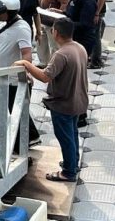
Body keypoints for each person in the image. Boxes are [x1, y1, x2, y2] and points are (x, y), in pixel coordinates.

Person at [15, 19, 89, 182]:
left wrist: (26, 64)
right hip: (78, 101)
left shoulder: (61, 54)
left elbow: (45, 76)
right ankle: (72, 163)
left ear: (56, 33)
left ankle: (69, 172)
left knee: (65, 137)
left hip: (63, 103)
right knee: (72, 133)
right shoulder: (79, 48)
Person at [0, 0, 40, 147]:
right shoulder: (8, 26)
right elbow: (2, 48)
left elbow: (26, 53)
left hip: (15, 79)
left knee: (17, 109)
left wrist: (25, 74)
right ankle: (28, 138)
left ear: (9, 12)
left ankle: (28, 138)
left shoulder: (21, 28)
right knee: (14, 109)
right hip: (6, 77)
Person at [63, 0, 98, 64]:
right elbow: (71, 14)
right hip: (73, 36)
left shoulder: (88, 2)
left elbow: (84, 24)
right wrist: (60, 13)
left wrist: (65, 24)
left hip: (84, 39)